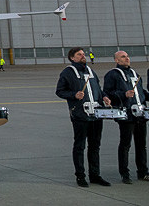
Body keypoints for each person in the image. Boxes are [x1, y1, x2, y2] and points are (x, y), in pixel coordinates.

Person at [56, 46, 112, 187]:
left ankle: (95, 175)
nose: (83, 56)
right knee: (80, 146)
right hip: (80, 114)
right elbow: (60, 91)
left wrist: (104, 96)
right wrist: (74, 95)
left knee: (95, 146)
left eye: (83, 54)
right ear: (72, 58)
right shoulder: (68, 72)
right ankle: (80, 176)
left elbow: (98, 89)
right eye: (79, 54)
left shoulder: (90, 71)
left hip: (96, 114)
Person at [104, 51, 149, 184]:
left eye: (128, 56)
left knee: (142, 145)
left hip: (140, 114)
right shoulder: (112, 74)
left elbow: (141, 93)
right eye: (123, 57)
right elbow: (107, 93)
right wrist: (123, 94)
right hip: (126, 115)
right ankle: (124, 173)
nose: (127, 58)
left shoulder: (134, 73)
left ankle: (143, 172)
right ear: (117, 60)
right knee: (125, 145)